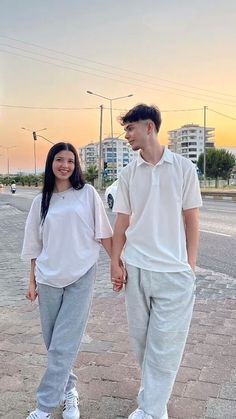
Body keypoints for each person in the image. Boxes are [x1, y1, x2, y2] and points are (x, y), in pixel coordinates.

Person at [111, 104, 202, 419]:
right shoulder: (127, 173)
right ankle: (153, 403)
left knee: (165, 346)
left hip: (173, 273)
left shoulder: (183, 168)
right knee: (142, 344)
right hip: (136, 267)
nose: (127, 135)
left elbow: (191, 219)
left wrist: (190, 266)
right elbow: (121, 221)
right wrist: (115, 260)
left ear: (149, 127)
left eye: (130, 128)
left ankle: (151, 409)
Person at [21, 142, 112, 419]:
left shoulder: (87, 194)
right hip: (48, 278)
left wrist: (118, 265)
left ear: (76, 165)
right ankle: (69, 390)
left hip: (81, 275)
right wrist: (32, 281)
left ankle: (44, 407)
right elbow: (35, 245)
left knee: (63, 344)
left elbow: (104, 233)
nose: (65, 165)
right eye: (59, 160)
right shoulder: (41, 201)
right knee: (55, 344)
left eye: (70, 161)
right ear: (51, 164)